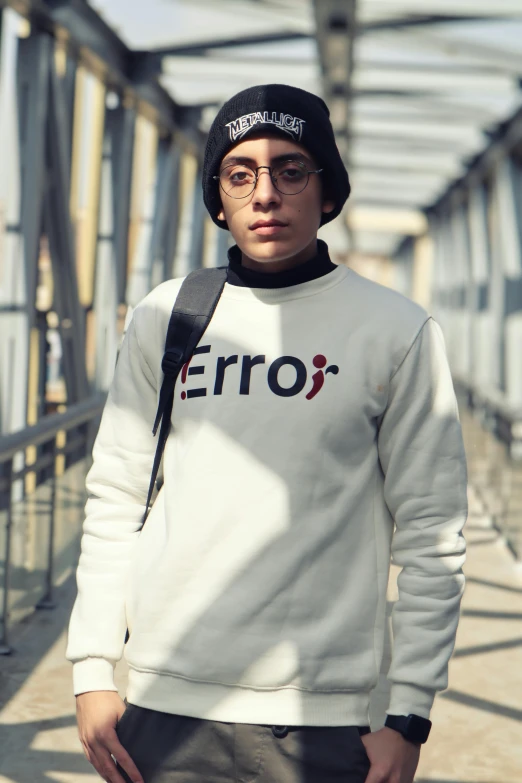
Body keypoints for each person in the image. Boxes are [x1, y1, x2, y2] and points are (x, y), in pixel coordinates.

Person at [67, 84, 467, 783]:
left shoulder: (396, 331)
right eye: (240, 173)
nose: (265, 193)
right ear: (219, 197)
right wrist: (93, 667)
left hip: (325, 714)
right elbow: (116, 497)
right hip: (165, 702)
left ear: (329, 193)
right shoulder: (167, 316)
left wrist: (407, 715)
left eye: (291, 169)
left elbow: (434, 532)